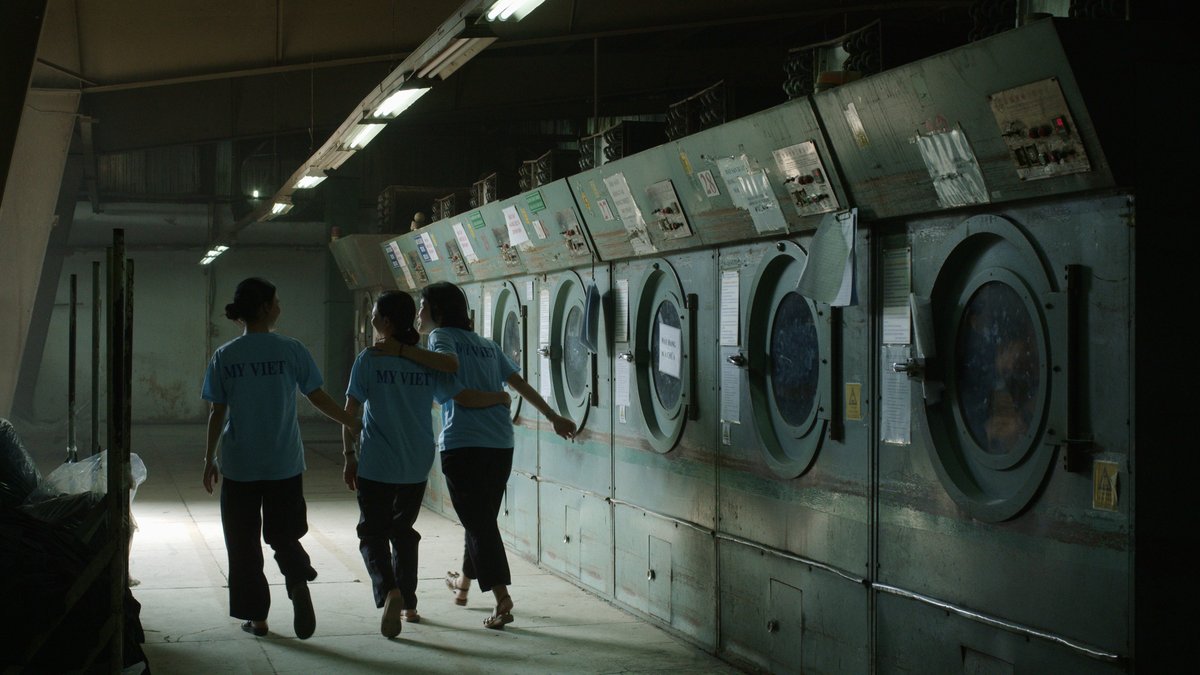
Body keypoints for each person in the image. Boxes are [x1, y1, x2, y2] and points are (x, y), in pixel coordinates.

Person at [340, 291, 508, 638]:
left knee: (372, 532)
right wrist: (499, 397)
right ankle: (410, 605)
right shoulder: (426, 361)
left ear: (387, 322)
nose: (371, 319)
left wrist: (348, 455)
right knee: (403, 530)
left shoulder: (369, 358)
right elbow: (458, 393)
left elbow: (350, 412)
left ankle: (390, 591)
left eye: (375, 315)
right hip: (416, 462)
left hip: (377, 462)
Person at [201, 277, 361, 640]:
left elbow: (217, 411)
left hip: (240, 465)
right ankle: (297, 579)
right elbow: (317, 396)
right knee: (284, 534)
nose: (280, 307)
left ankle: (257, 619)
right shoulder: (292, 349)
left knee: (243, 545)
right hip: (284, 462)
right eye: (276, 301)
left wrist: (209, 458)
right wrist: (349, 421)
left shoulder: (226, 355)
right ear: (264, 308)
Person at [418, 281, 576, 629]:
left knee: (478, 522)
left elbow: (462, 396)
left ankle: (502, 598)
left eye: (423, 305)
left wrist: (496, 398)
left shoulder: (440, 337)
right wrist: (552, 416)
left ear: (438, 310)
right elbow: (518, 383)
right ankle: (463, 585)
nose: (418, 313)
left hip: (463, 444)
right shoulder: (487, 345)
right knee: (481, 519)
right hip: (500, 444)